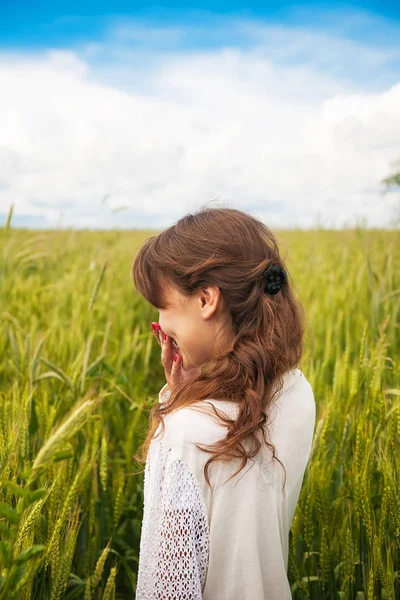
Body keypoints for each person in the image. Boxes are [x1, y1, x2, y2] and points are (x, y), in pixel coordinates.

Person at [131, 206, 316, 599]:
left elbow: (168, 589)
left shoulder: (183, 434)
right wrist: (187, 391)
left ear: (206, 299)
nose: (161, 324)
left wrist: (175, 406)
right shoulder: (296, 389)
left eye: (163, 306)